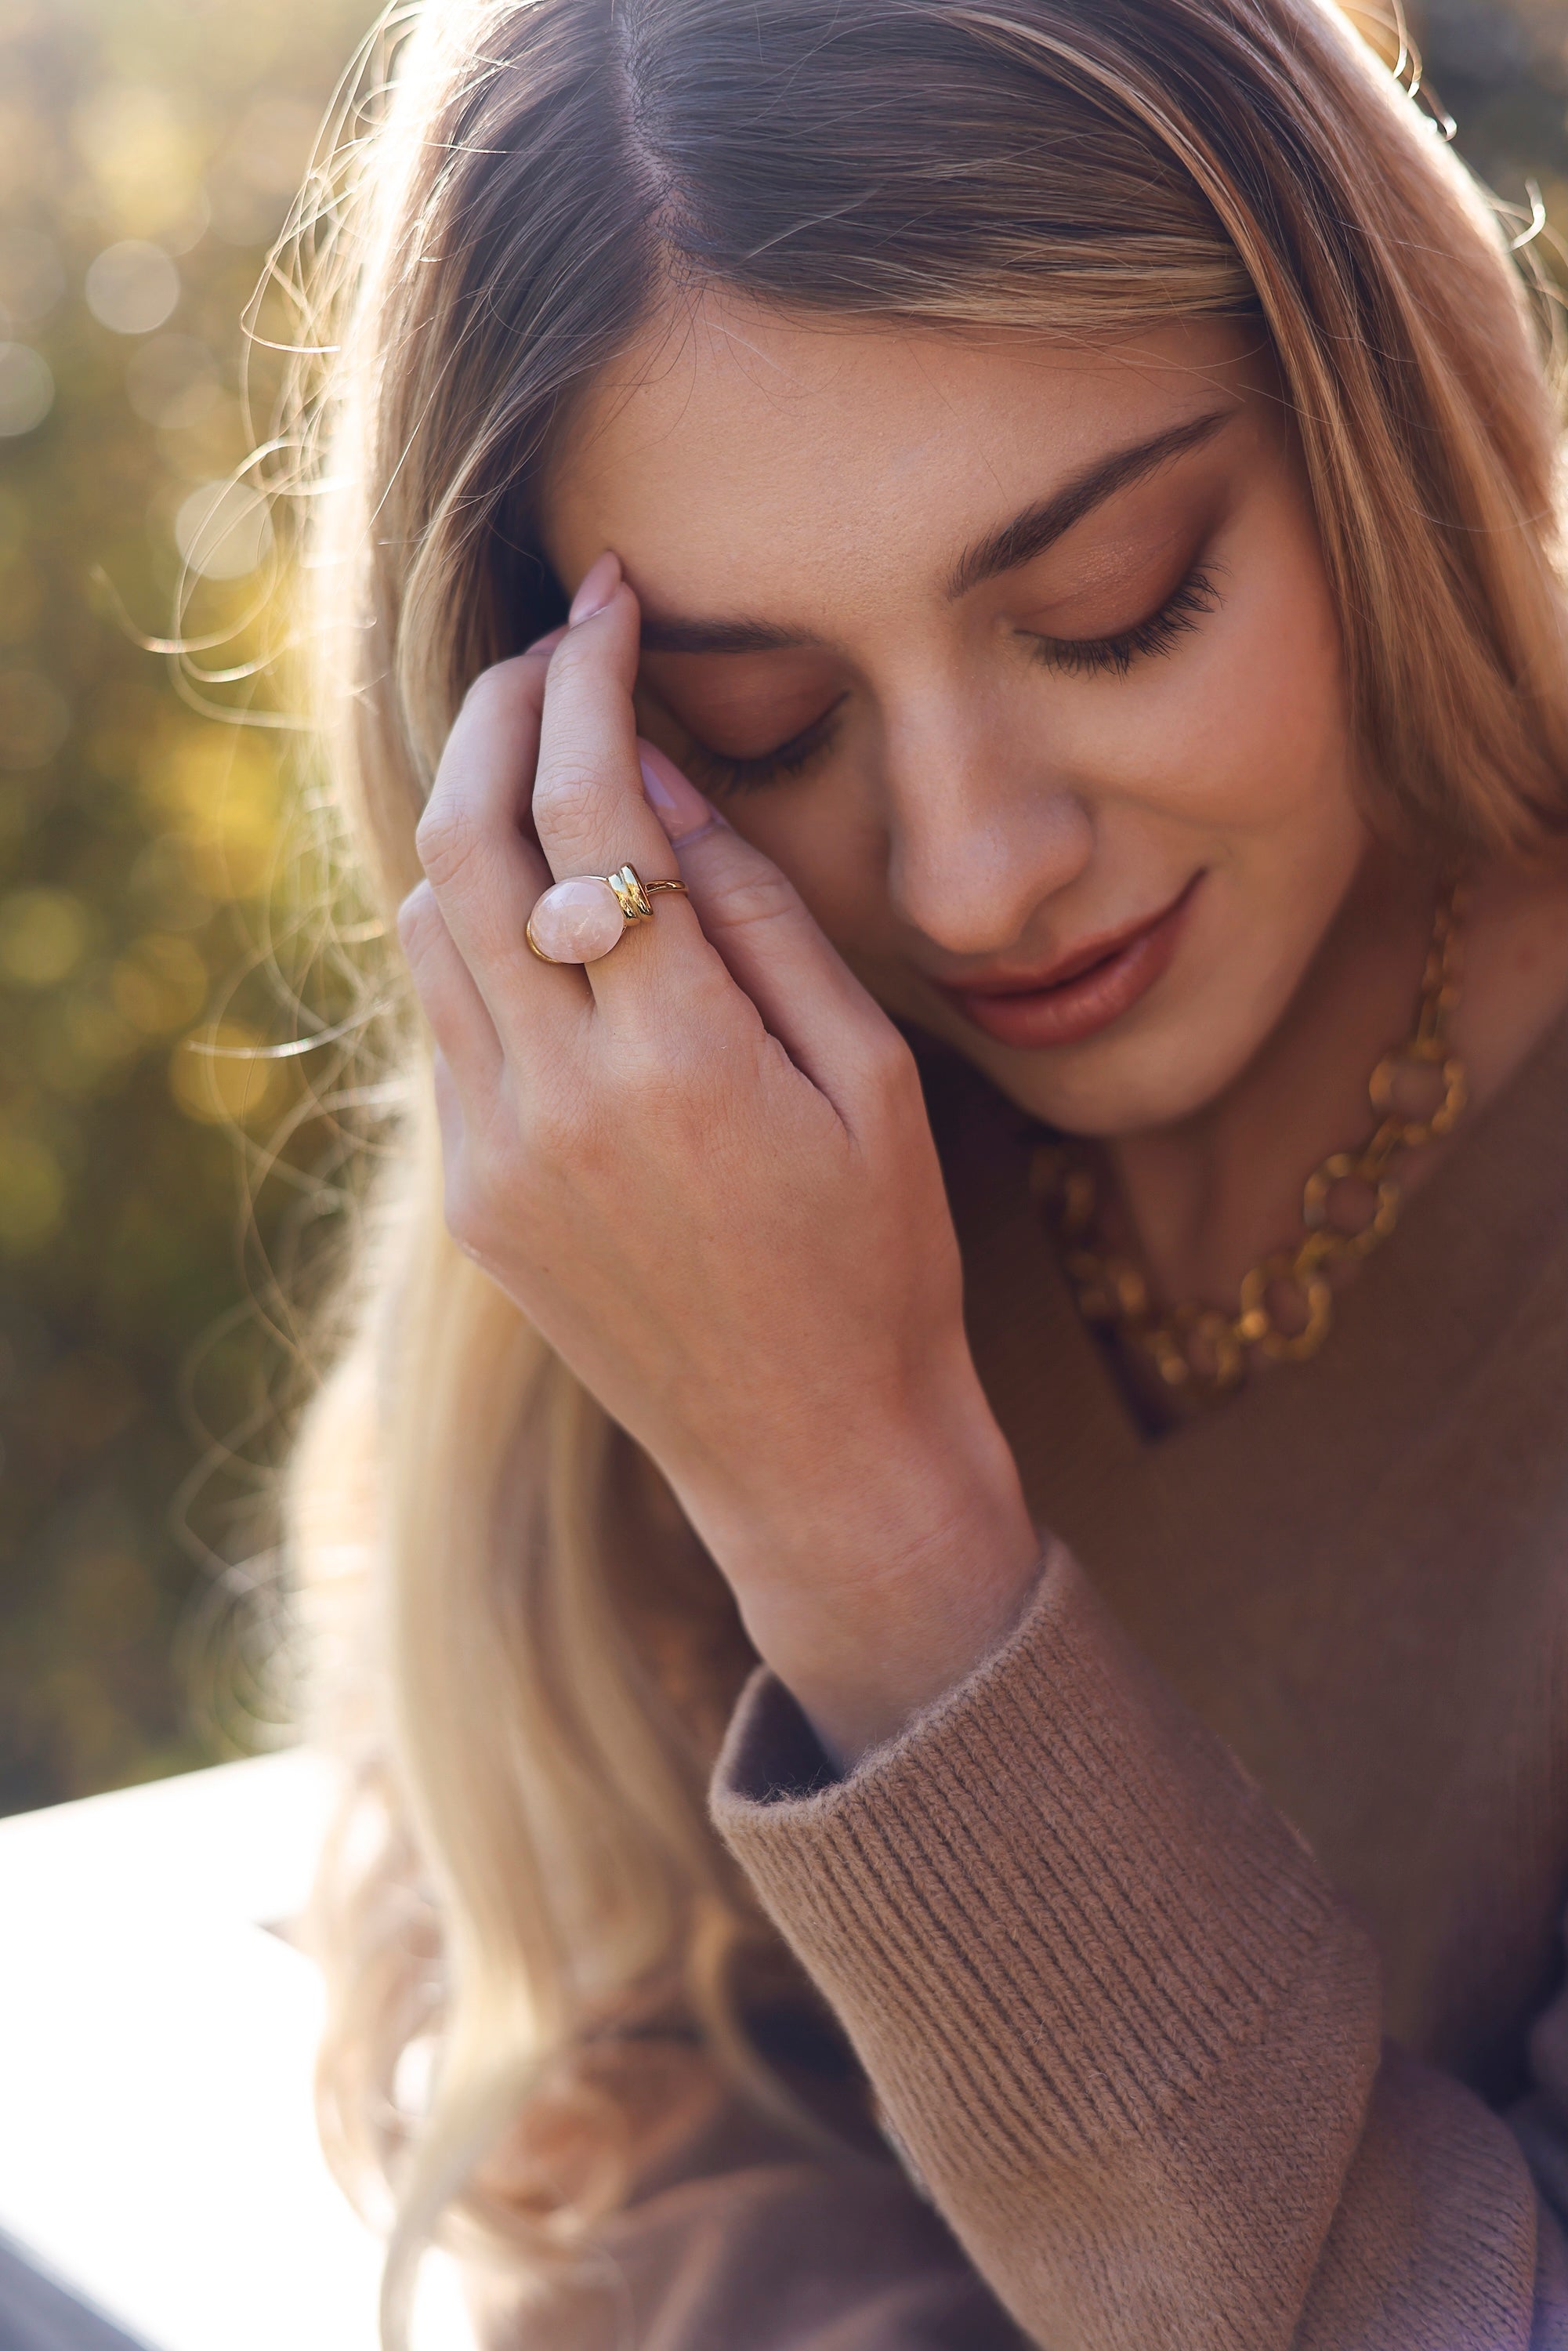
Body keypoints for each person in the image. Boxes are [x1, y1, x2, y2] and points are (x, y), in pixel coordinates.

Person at [281, 0, 1568, 2341]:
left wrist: (876, 1543)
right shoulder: (697, 1144)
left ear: (1375, 417)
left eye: (1113, 607)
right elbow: (617, 2125)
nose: (974, 878)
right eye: (763, 728)